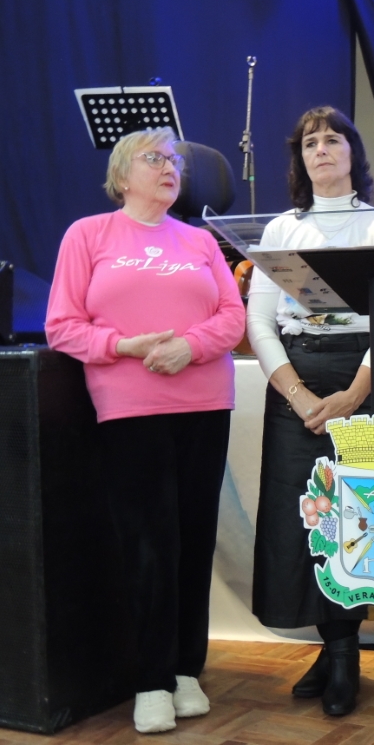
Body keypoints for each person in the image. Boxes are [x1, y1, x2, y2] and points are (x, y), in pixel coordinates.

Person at [45, 128, 246, 734]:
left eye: (175, 159)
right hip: (130, 407)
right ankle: (151, 680)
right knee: (148, 544)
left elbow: (232, 317)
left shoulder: (199, 240)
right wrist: (123, 346)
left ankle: (186, 670)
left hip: (205, 401)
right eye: (154, 157)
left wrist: (190, 346)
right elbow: (62, 326)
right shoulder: (88, 234)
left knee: (194, 536)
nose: (169, 166)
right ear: (121, 174)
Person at [245, 106, 374, 717]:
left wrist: (356, 393)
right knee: (305, 522)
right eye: (309, 142)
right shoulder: (280, 230)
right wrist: (299, 396)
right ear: (300, 159)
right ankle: (335, 648)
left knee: (360, 519)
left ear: (353, 153)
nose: (320, 149)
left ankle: (346, 655)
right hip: (296, 384)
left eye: (332, 139)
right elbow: (259, 322)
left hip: (364, 375)